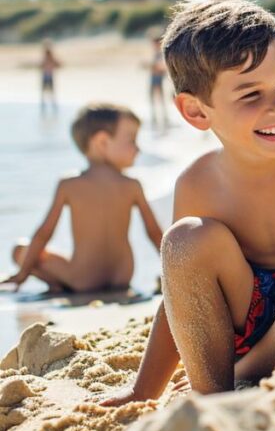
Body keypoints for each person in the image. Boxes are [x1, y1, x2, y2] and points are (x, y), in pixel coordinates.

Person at [102, 0, 275, 404]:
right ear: (196, 112)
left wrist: (247, 364)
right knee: (185, 239)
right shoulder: (196, 183)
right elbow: (182, 293)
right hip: (247, 318)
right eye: (249, 94)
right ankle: (214, 397)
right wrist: (143, 390)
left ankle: (242, 375)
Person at [1, 104, 162, 293]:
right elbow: (155, 234)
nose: (138, 149)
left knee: (19, 250)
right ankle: (58, 284)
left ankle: (55, 285)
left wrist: (22, 275)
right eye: (132, 140)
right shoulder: (132, 185)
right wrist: (173, 273)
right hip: (122, 276)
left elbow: (44, 233)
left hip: (83, 279)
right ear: (102, 142)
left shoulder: (69, 184)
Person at [148, 34, 170, 129]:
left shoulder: (161, 54)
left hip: (158, 78)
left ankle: (164, 117)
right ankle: (156, 117)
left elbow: (161, 67)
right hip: (154, 78)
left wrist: (151, 66)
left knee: (160, 98)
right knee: (153, 98)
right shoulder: (156, 53)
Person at [40, 40, 61, 112]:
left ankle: (51, 104)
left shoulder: (50, 58)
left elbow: (58, 64)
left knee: (50, 91)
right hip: (46, 76)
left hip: (48, 76)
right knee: (45, 91)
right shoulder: (46, 57)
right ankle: (46, 105)